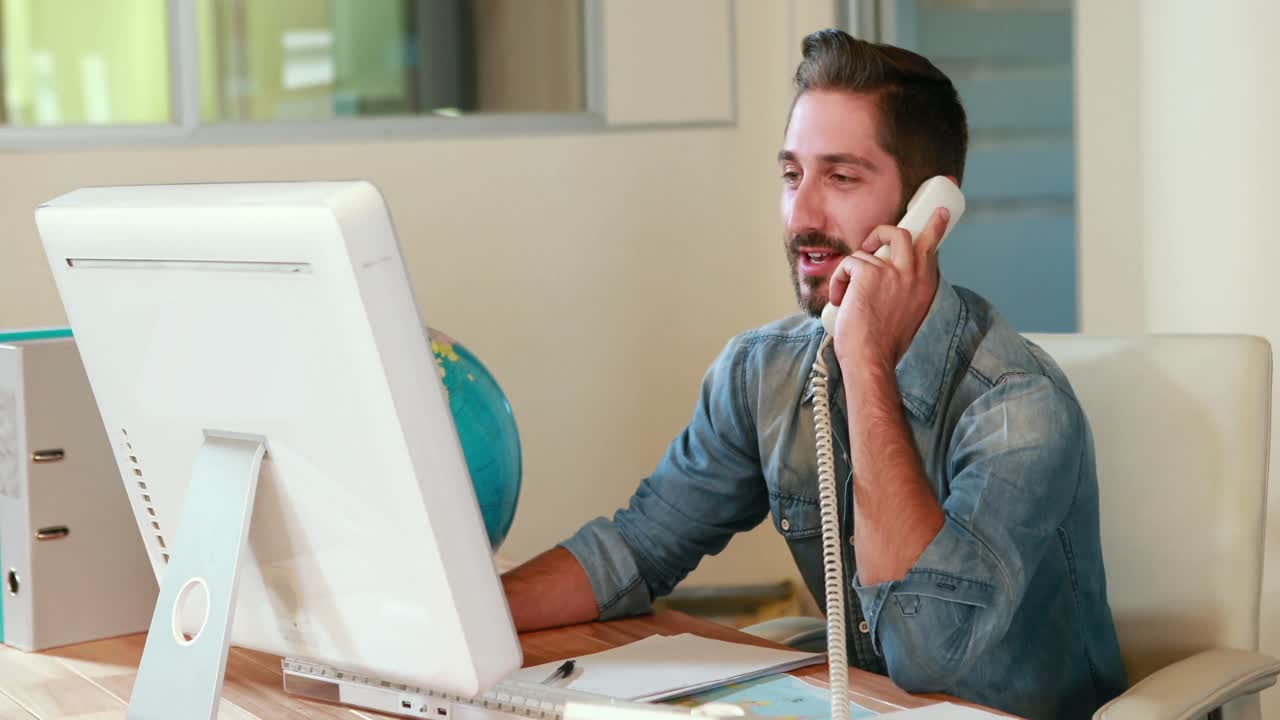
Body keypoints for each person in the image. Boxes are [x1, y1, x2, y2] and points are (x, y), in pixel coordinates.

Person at [501, 29, 1126, 719]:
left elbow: (923, 655)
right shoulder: (761, 373)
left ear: (930, 214)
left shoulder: (1020, 409)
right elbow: (636, 549)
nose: (801, 216)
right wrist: (464, 624)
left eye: (841, 177)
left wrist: (862, 357)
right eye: (792, 175)